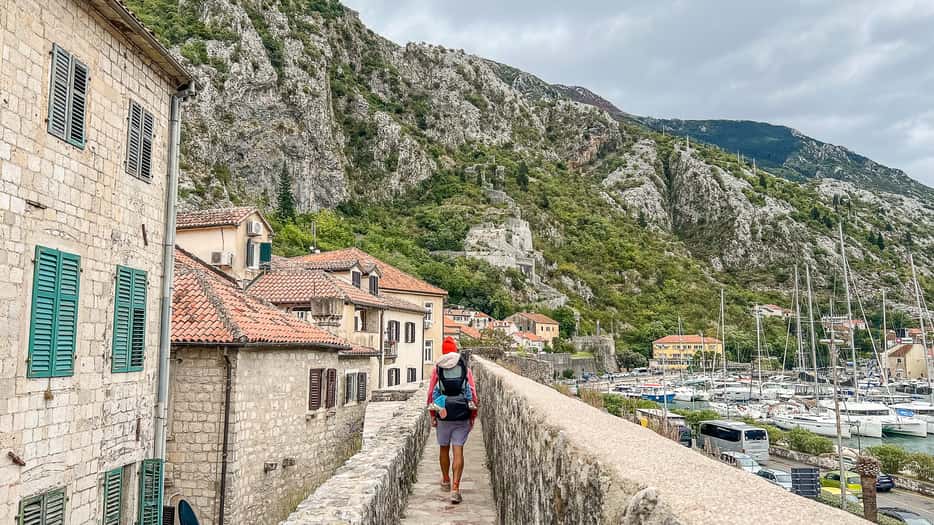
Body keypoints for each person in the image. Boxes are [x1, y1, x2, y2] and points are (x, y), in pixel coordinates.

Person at [427, 336, 478, 504]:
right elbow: (472, 392)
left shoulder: (438, 368)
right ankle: (455, 489)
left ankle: (445, 480)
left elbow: (431, 394)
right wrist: (472, 415)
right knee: (458, 450)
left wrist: (433, 415)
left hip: (443, 415)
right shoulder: (464, 368)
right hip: (461, 413)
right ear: (455, 350)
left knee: (443, 448)